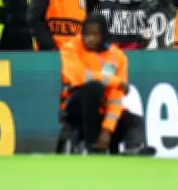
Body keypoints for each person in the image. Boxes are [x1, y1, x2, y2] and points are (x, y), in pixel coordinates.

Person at [57, 13, 153, 155]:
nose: (89, 38)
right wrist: (115, 82)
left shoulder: (118, 57)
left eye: (95, 35)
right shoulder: (71, 48)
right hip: (76, 107)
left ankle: (133, 151)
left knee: (134, 121)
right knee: (94, 88)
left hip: (103, 109)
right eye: (86, 34)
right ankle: (91, 146)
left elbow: (116, 98)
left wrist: (107, 129)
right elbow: (80, 77)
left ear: (103, 36)